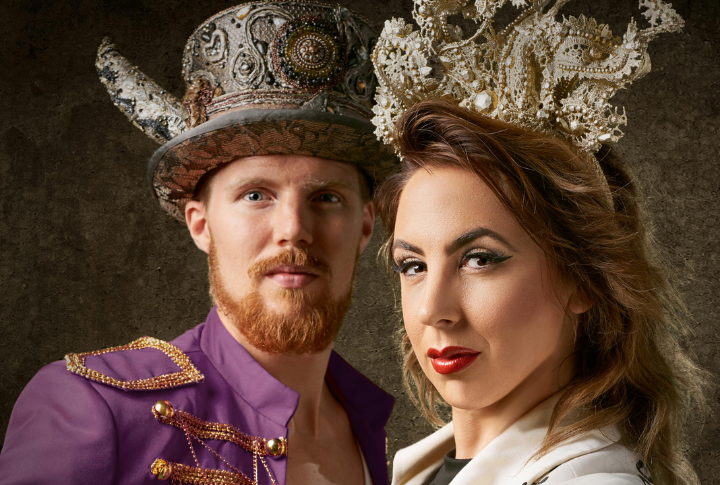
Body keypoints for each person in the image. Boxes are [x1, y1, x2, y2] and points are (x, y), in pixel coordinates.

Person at [0, 2, 396, 484]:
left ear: (365, 227)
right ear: (200, 224)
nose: (294, 229)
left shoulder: (377, 430)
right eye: (256, 195)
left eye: (327, 198)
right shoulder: (94, 406)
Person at [370, 1, 706, 484]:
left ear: (582, 277)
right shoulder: (416, 472)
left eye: (478, 259)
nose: (432, 310)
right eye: (413, 265)